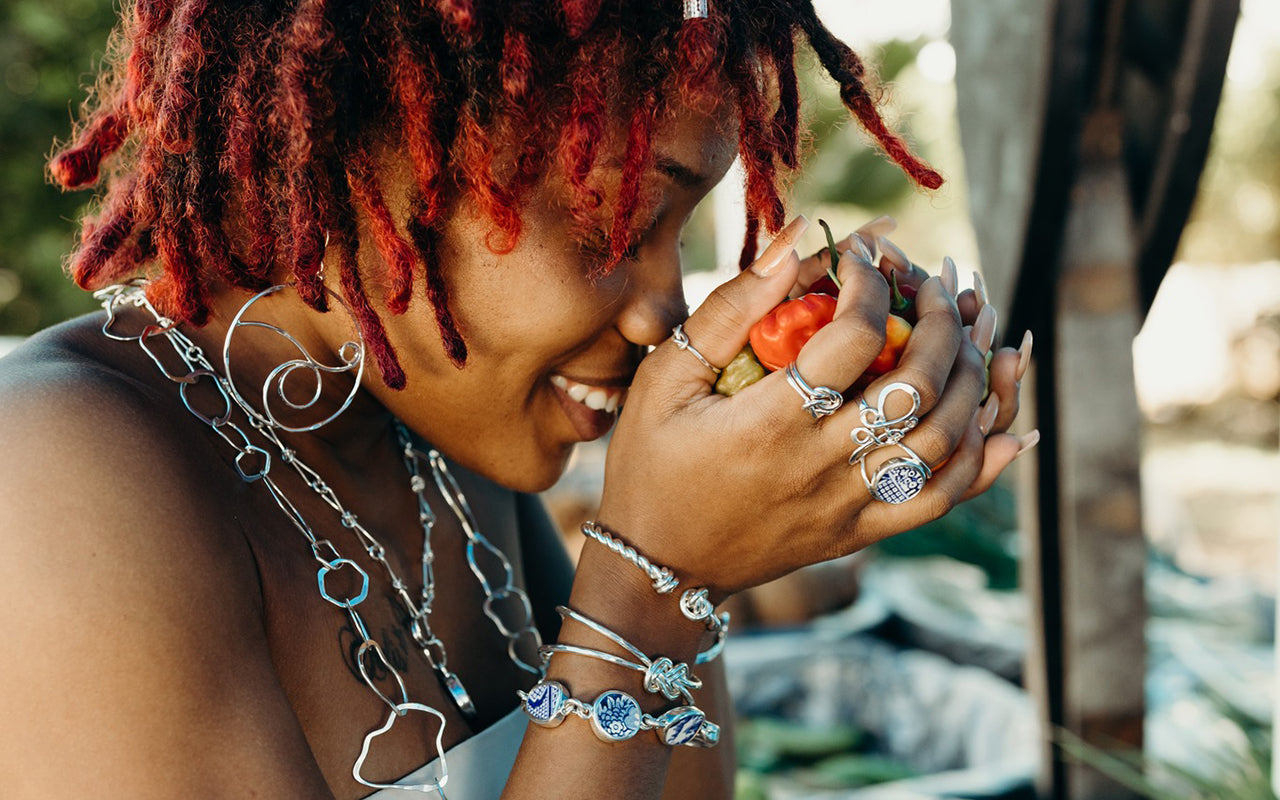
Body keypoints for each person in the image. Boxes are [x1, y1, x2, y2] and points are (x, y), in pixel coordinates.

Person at [0, 1, 1037, 798]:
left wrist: (709, 550)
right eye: (614, 225)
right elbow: (628, 641)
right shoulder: (54, 477)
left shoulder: (432, 440)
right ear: (365, 143)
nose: (658, 312)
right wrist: (646, 585)